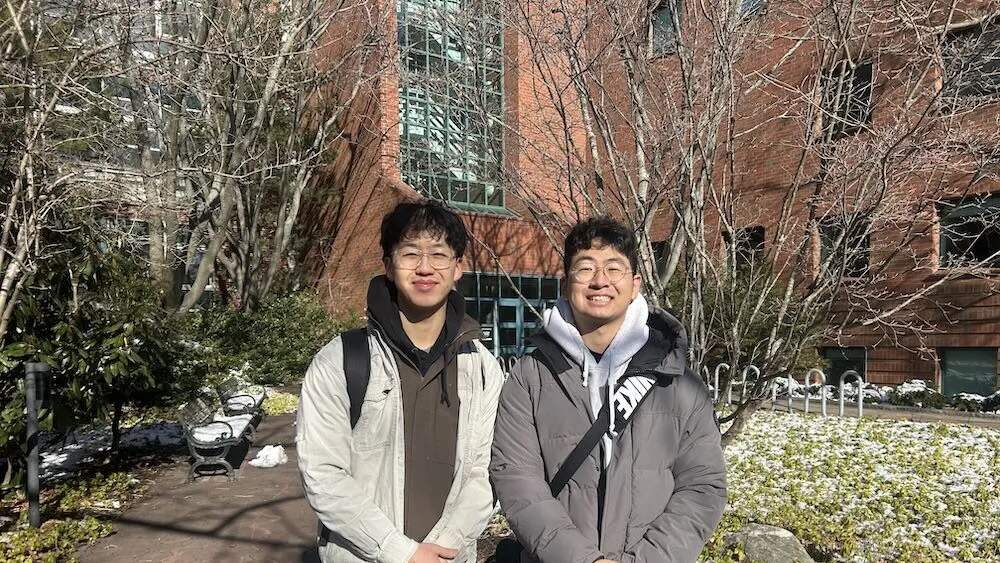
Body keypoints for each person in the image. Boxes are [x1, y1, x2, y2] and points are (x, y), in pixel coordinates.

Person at [489, 216, 726, 563]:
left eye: (614, 269)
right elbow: (516, 479)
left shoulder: (676, 380)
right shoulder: (530, 376)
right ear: (566, 282)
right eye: (585, 268)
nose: (600, 281)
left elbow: (702, 486)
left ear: (635, 285)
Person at [297, 200, 504, 563]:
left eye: (439, 255)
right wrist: (401, 552)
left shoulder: (483, 368)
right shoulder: (342, 360)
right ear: (389, 266)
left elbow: (485, 472)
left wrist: (442, 550)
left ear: (458, 268)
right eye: (410, 253)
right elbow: (323, 474)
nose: (425, 267)